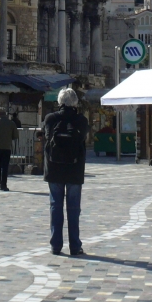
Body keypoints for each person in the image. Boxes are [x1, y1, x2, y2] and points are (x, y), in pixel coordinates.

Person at [43, 87, 89, 256]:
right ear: (75, 102)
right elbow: (83, 139)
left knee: (55, 206)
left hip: (54, 168)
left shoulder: (50, 118)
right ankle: (75, 246)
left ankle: (56, 245)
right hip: (74, 169)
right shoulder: (81, 120)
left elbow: (47, 138)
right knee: (74, 208)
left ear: (59, 101)